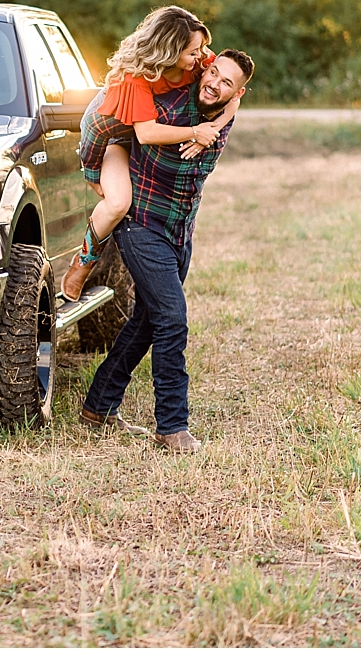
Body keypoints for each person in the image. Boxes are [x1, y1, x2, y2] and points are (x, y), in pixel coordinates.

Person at [79, 49, 255, 452]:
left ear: (238, 91)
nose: (215, 84)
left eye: (227, 83)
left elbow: (232, 103)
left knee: (148, 318)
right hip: (140, 222)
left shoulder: (226, 108)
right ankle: (172, 426)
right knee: (172, 319)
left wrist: (219, 120)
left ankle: (98, 406)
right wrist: (97, 173)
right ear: (204, 68)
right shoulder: (166, 103)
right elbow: (116, 124)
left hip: (180, 228)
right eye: (213, 74)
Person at [62, 6, 239, 301]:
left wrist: (213, 127)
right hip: (112, 138)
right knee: (118, 203)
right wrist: (92, 173)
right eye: (195, 52)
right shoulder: (135, 78)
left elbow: (233, 94)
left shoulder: (198, 60)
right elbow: (144, 133)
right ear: (170, 51)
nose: (204, 57)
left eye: (203, 49)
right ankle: (82, 263)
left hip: (148, 141)